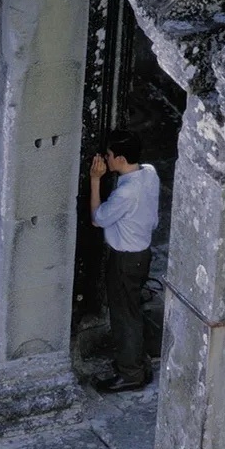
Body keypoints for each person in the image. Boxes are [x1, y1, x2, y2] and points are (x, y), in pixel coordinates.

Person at [90, 129, 160, 392]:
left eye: (108, 156)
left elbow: (98, 218)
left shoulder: (126, 193)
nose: (105, 160)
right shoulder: (149, 173)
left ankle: (131, 373)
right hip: (142, 253)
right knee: (132, 309)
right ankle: (138, 364)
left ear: (119, 158)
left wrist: (95, 180)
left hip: (125, 259)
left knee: (124, 316)